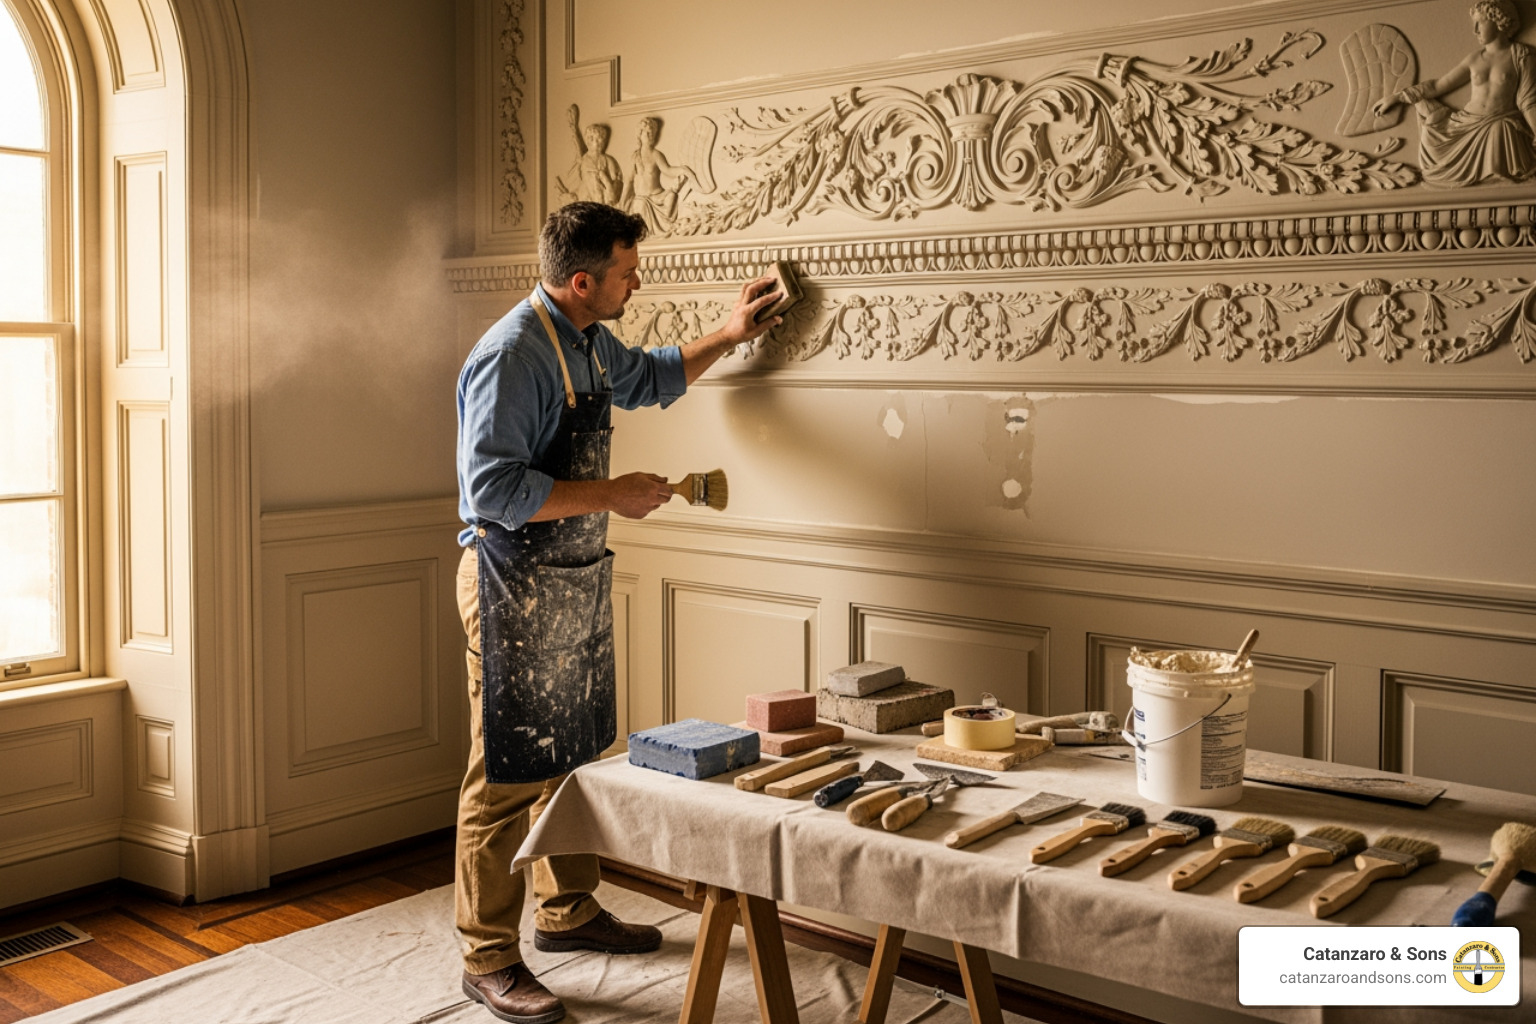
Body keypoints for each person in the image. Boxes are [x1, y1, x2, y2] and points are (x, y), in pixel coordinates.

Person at [454, 201, 780, 1024]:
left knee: (569, 751)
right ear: (581, 280)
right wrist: (614, 495)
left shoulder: (588, 341)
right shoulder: (512, 356)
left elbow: (654, 375)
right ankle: (487, 955)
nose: (637, 283)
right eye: (628, 274)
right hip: (507, 581)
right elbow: (491, 491)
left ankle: (565, 913)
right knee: (504, 772)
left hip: (569, 574)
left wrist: (733, 331)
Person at [1373, 0, 1536, 186]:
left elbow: (1528, 100)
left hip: (1499, 122)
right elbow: (1439, 85)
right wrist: (1397, 97)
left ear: (1498, 20)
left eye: (1480, 22)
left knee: (1500, 129)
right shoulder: (1475, 58)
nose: (1475, 30)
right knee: (1431, 129)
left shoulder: (1520, 55)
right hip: (1466, 123)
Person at [621, 116, 705, 233]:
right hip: (641, 198)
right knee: (640, 204)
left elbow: (668, 171)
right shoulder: (635, 157)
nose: (650, 136)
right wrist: (622, 204)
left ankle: (668, 228)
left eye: (652, 133)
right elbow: (628, 182)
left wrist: (684, 170)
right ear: (640, 134)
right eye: (647, 133)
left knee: (671, 196)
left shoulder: (656, 155)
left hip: (657, 196)